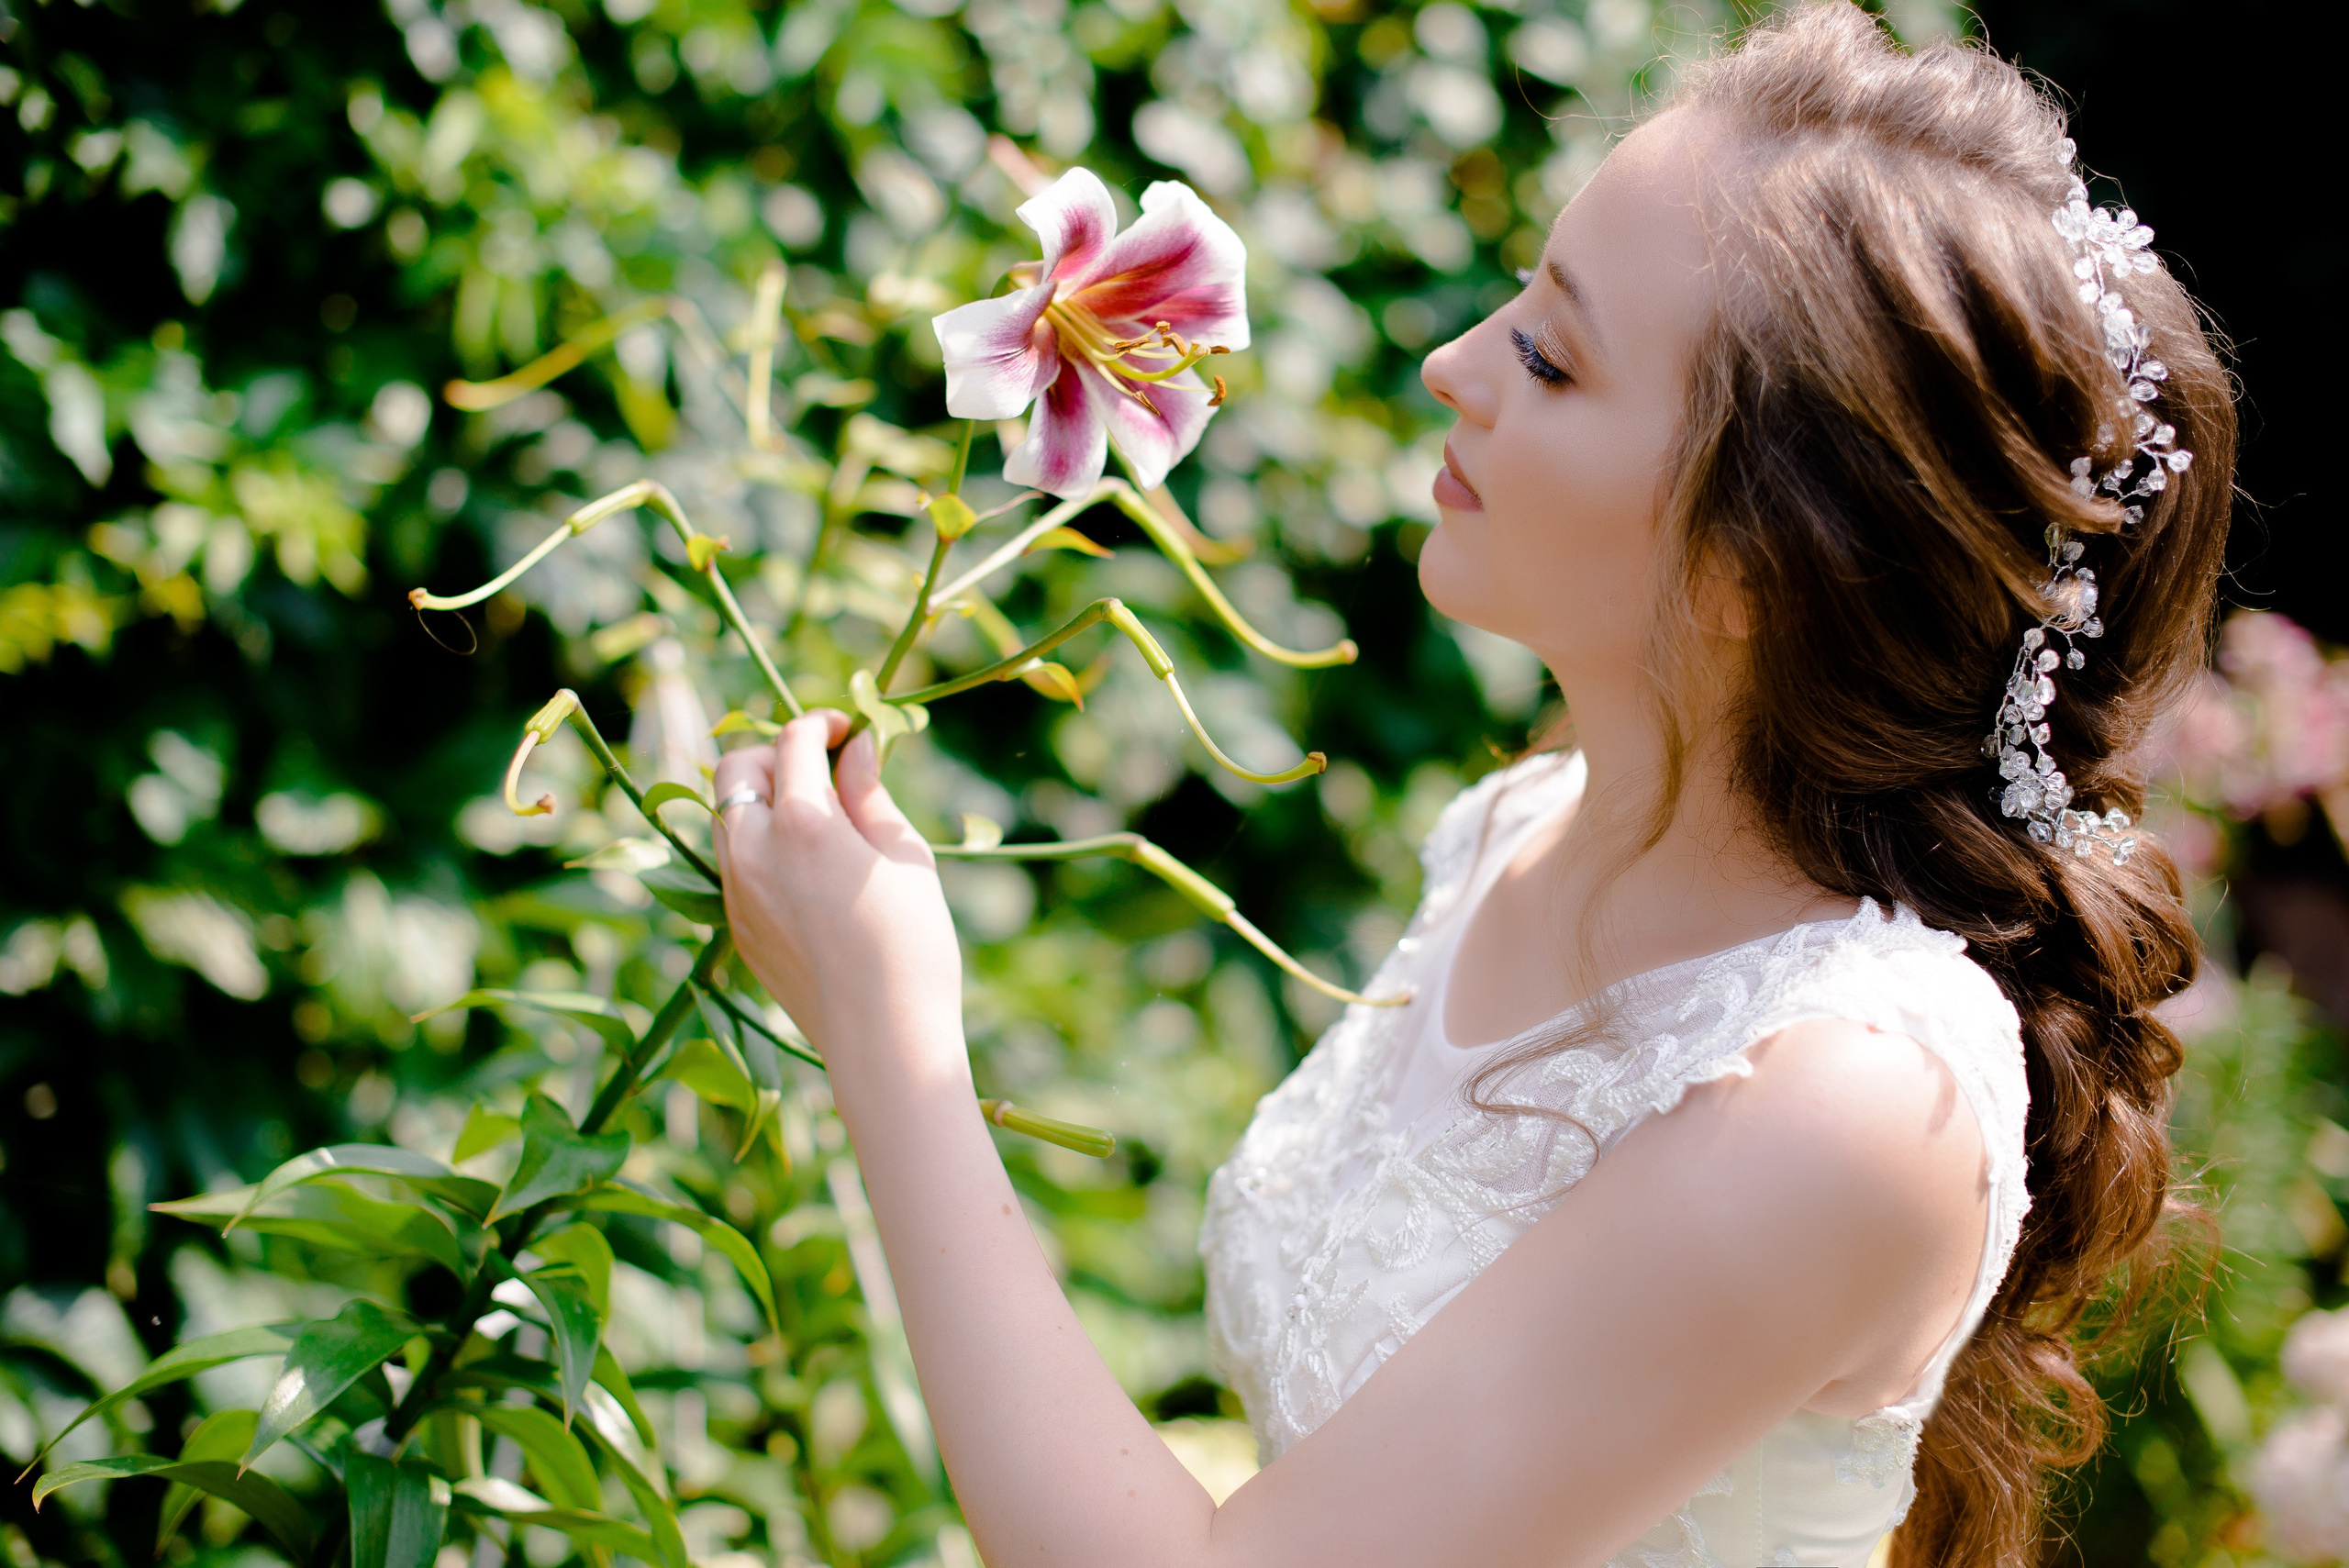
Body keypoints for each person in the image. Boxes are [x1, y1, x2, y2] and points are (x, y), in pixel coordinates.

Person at [707, 4, 2233, 1562]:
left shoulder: (1852, 1104)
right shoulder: (1520, 827)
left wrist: (888, 1040)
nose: (1452, 364)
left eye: (1554, 357)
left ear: (1764, 564)